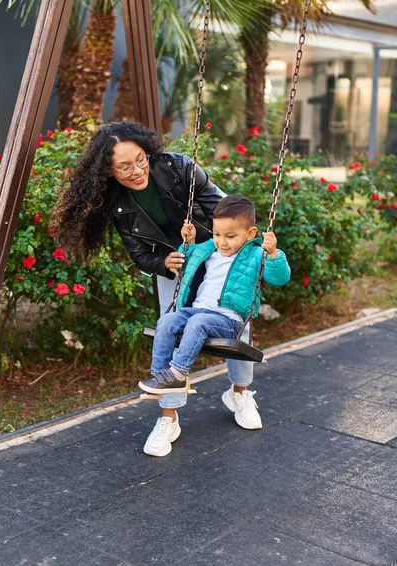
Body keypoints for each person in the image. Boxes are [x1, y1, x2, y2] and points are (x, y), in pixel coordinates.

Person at [53, 121, 260, 435]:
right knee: (171, 326)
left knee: (238, 324)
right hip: (175, 268)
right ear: (108, 171)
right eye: (124, 167)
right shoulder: (118, 204)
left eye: (140, 159)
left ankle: (240, 394)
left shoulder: (179, 168)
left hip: (219, 253)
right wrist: (163, 261)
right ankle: (169, 417)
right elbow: (140, 255)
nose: (137, 170)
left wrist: (229, 248)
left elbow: (225, 210)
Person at [139, 194, 291, 456]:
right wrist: (187, 243)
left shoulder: (256, 254)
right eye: (218, 233)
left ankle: (177, 374)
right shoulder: (209, 248)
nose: (222, 241)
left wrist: (274, 253)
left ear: (250, 232)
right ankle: (159, 377)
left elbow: (279, 278)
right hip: (196, 310)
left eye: (230, 236)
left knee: (198, 322)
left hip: (228, 320)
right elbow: (187, 263)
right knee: (167, 321)